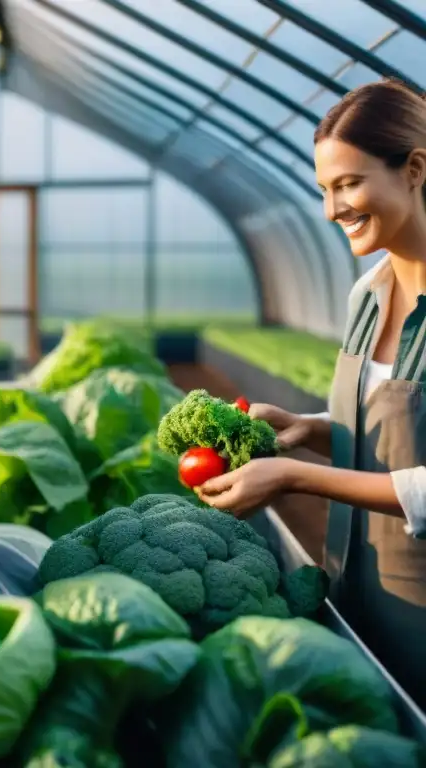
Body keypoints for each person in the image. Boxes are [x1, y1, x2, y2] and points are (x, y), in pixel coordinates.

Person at [195, 78, 426, 706]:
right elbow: (394, 424)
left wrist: (295, 478)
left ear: (414, 168)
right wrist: (308, 426)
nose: (331, 210)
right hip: (358, 589)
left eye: (349, 184)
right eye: (324, 190)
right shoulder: (367, 295)